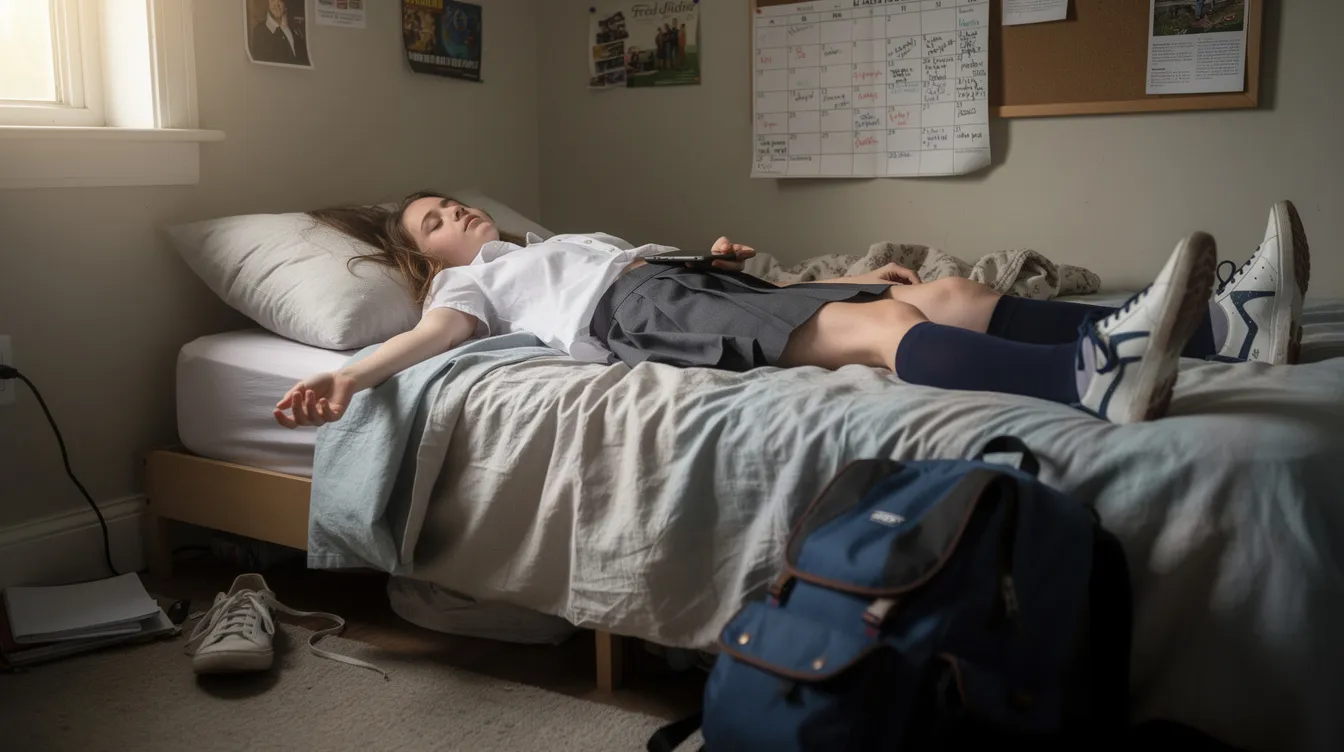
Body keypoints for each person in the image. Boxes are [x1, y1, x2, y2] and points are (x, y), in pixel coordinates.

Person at [275, 195, 1310, 429]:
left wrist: (714, 259)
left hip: (693, 282)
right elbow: (428, 337)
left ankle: (1232, 328)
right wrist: (349, 375)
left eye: (450, 199)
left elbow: (650, 265)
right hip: (643, 312)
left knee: (940, 292)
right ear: (425, 253)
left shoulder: (539, 244)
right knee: (877, 334)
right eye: (431, 217)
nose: (452, 208)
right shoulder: (468, 284)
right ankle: (1088, 378)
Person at [248, 0, 310, 67]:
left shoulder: (295, 30)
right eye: (272, 0)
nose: (276, 5)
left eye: (280, 1)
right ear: (267, 3)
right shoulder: (260, 31)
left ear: (285, 4)